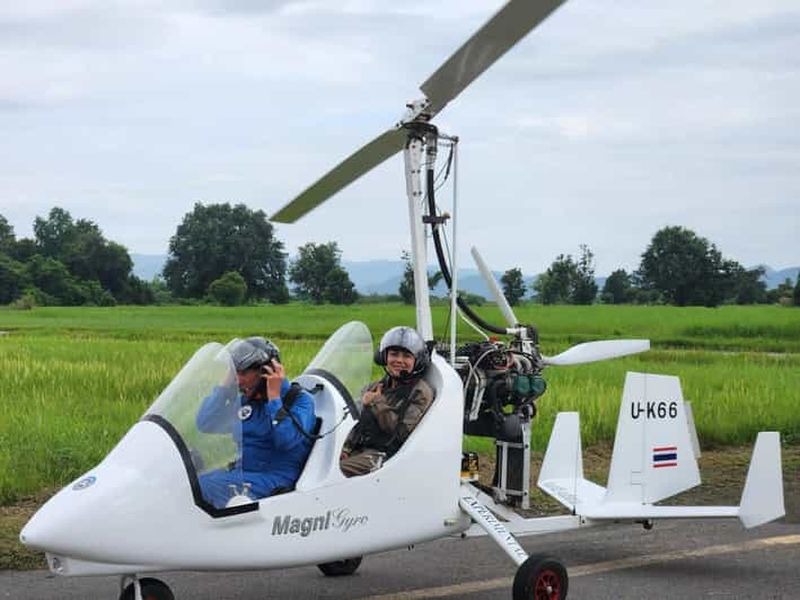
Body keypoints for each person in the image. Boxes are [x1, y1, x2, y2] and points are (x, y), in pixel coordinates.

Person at [195, 336, 316, 508]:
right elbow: (206, 422)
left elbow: (286, 440)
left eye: (243, 373)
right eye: (235, 373)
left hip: (274, 479)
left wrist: (274, 398)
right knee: (186, 483)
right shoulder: (247, 402)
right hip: (241, 474)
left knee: (202, 486)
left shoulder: (300, 401)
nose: (238, 380)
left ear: (267, 371)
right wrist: (224, 386)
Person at [340, 326, 434, 477]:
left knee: (338, 471)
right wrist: (345, 448)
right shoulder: (375, 387)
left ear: (417, 360)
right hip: (363, 448)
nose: (399, 360)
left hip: (388, 455)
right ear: (384, 357)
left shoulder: (420, 392)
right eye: (394, 354)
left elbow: (401, 433)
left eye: (406, 356)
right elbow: (356, 421)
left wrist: (377, 402)